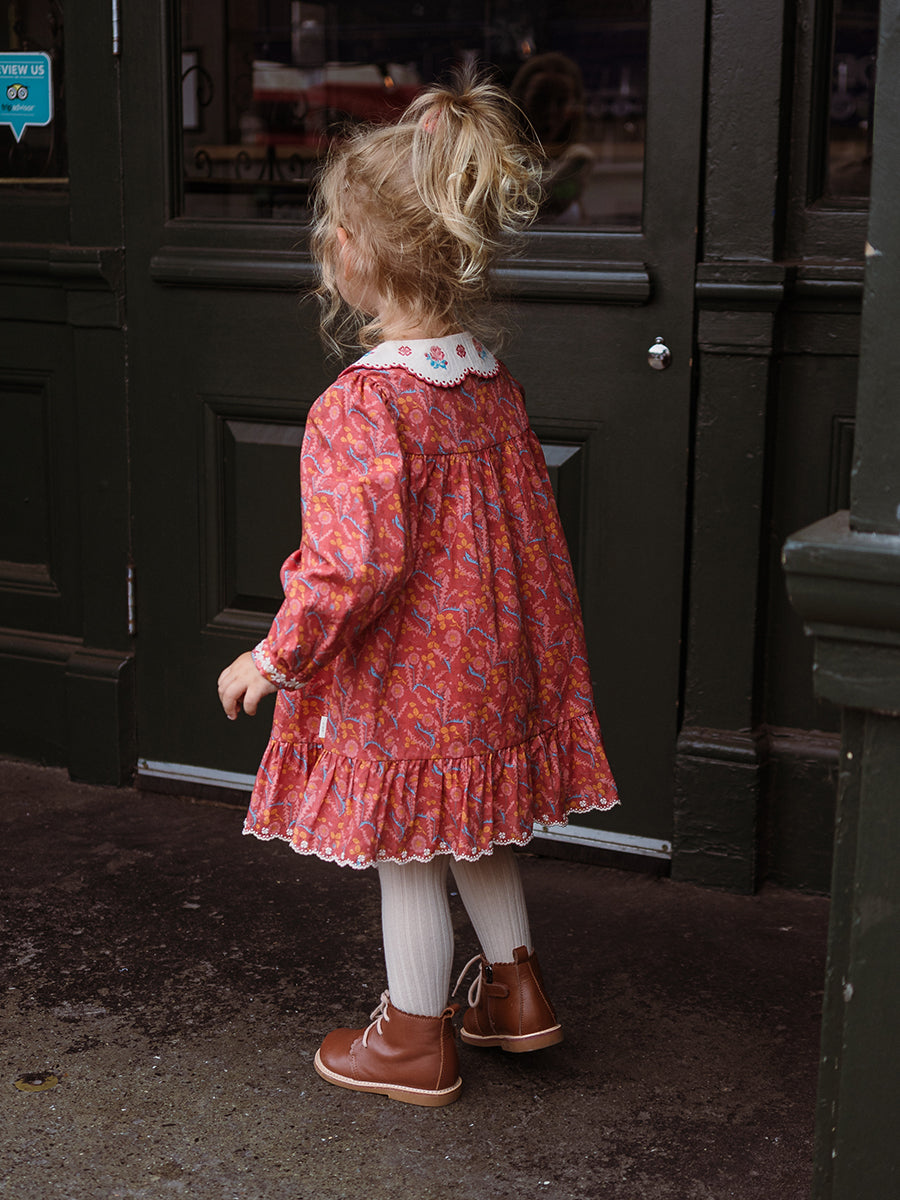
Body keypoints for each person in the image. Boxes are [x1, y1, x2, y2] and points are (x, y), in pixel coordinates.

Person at [217, 68, 618, 1108]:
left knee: (408, 848)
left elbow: (354, 564)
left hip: (411, 682)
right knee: (472, 825)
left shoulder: (362, 406)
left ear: (356, 255)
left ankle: (411, 1036)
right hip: (494, 662)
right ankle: (515, 992)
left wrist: (273, 656)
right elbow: (527, 534)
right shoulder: (487, 381)